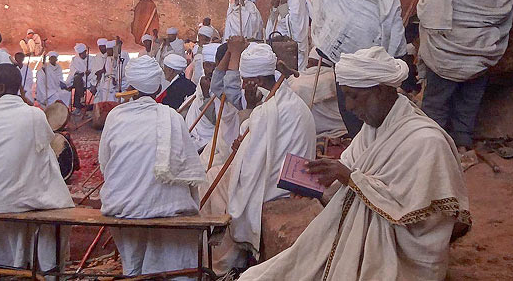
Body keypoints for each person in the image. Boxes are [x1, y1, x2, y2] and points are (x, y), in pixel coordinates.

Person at [239, 46, 471, 280]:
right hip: (354, 238)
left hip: (402, 256)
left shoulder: (426, 141)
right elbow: (346, 188)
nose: (348, 106)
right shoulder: (371, 131)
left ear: (380, 91)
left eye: (354, 96)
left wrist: (349, 177)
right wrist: (316, 186)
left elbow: (418, 216)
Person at [200, 42, 315, 275]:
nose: (242, 86)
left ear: (257, 82)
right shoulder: (288, 101)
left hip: (275, 186)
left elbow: (249, 169)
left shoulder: (268, 111)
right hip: (279, 175)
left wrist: (242, 144)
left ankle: (222, 264)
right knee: (212, 175)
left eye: (244, 81)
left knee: (212, 186)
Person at [98, 55, 207, 277]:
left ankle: (135, 272)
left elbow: (104, 165)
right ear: (158, 88)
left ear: (129, 87)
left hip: (123, 207)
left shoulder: (115, 117)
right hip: (168, 208)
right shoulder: (173, 118)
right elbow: (190, 171)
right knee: (176, 207)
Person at [417, 0, 513, 156]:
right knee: (468, 102)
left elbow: (430, 12)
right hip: (483, 48)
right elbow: (507, 6)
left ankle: (433, 151)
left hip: (448, 52)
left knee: (436, 103)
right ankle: (462, 144)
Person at [0, 64, 74, 270]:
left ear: (1, 88)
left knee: (36, 156)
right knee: (46, 159)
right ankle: (48, 266)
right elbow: (48, 140)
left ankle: (12, 260)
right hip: (14, 199)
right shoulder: (34, 115)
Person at [311, 0, 406, 137]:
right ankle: (370, 139)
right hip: (369, 42)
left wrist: (324, 37)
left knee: (347, 90)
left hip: (341, 42)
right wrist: (398, 52)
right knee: (368, 93)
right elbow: (391, 12)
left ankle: (357, 136)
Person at [288, 51, 347, 138]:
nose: (307, 66)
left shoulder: (330, 77)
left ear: (318, 63)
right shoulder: (338, 78)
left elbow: (297, 89)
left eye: (310, 62)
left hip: (312, 128)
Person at [264, 0, 312, 69]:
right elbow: (273, 21)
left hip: (292, 46)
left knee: (293, 72)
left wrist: (283, 4)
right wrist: (275, 7)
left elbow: (291, 22)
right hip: (279, 44)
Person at [186, 43, 221, 151]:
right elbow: (196, 99)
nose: (211, 70)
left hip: (210, 139)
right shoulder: (203, 79)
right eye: (208, 65)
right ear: (203, 65)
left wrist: (206, 94)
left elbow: (217, 120)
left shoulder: (222, 85)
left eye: (214, 66)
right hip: (193, 132)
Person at [65, 43, 92, 110]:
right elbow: (72, 70)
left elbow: (94, 69)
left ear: (86, 52)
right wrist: (80, 73)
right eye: (80, 54)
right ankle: (81, 98)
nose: (81, 55)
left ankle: (78, 106)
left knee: (78, 85)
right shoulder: (75, 60)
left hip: (89, 78)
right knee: (77, 79)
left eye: (83, 53)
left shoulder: (91, 59)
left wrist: (89, 72)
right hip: (78, 79)